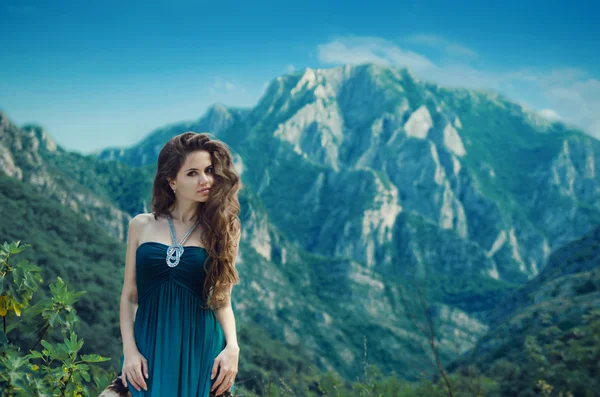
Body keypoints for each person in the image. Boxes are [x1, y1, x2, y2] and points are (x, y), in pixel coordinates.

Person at [117, 131, 241, 396]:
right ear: (172, 180)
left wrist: (232, 348)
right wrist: (130, 352)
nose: (205, 180)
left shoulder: (223, 228)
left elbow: (222, 300)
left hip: (201, 349)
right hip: (148, 347)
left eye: (209, 170)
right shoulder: (140, 225)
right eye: (192, 173)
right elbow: (129, 296)